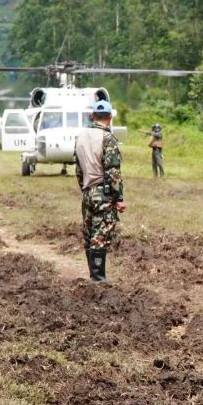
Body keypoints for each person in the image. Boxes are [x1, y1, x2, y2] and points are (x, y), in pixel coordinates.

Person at [74, 100, 126, 282]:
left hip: (87, 191)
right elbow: (113, 172)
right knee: (100, 235)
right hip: (103, 193)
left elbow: (78, 170)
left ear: (92, 116)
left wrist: (85, 189)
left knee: (89, 234)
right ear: (110, 117)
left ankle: (93, 276)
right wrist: (119, 198)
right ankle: (98, 280)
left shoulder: (80, 137)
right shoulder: (108, 138)